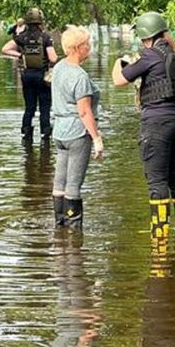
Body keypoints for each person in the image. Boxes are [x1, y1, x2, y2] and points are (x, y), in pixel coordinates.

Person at [111, 12, 175, 237]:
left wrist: (119, 62)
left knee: (157, 183)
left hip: (158, 125)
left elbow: (119, 80)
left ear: (146, 36)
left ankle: (160, 240)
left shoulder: (150, 56)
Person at [51, 25, 103, 229]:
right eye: (87, 44)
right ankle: (74, 232)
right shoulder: (80, 76)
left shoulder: (58, 68)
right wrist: (96, 139)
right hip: (77, 134)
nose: (89, 47)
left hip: (59, 131)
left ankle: (59, 227)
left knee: (59, 182)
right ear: (78, 47)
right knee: (73, 184)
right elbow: (84, 112)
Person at [2, 8, 58, 140]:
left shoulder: (22, 37)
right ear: (41, 22)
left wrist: (20, 55)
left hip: (27, 76)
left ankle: (26, 133)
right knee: (44, 107)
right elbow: (53, 58)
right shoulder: (45, 37)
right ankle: (45, 133)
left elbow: (5, 49)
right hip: (42, 77)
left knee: (29, 107)